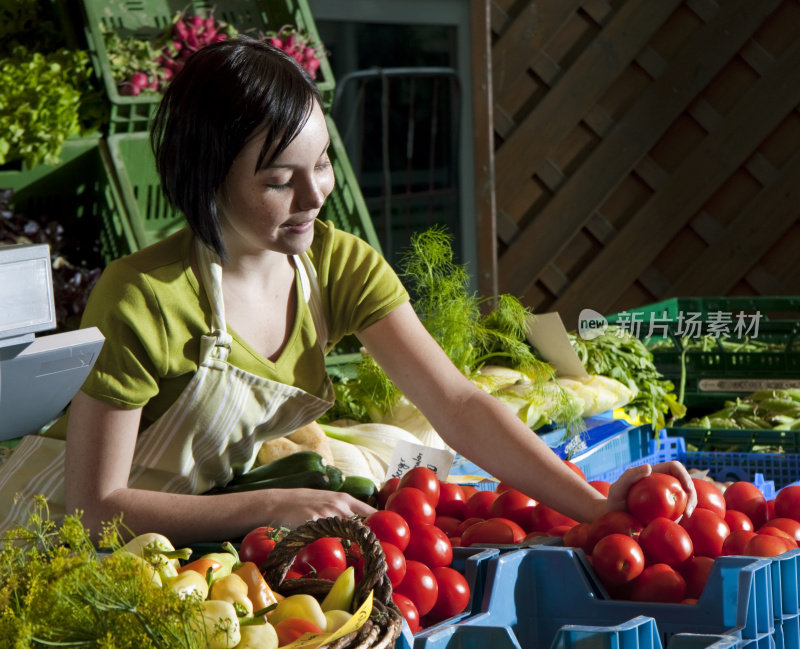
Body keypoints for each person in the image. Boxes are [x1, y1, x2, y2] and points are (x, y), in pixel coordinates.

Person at [0, 37, 695, 544]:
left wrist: (595, 507)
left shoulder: (337, 266)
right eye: (279, 179)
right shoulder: (143, 296)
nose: (314, 195)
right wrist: (266, 506)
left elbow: (457, 403)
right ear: (208, 178)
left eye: (323, 162)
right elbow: (96, 507)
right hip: (49, 543)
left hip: (173, 542)